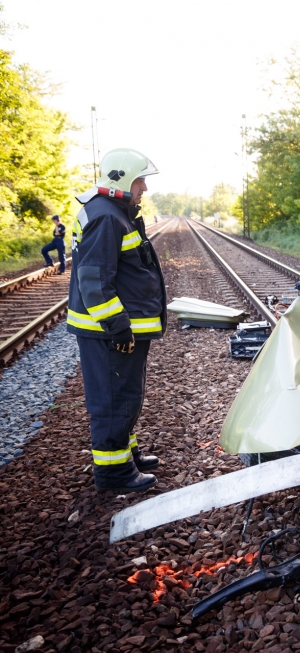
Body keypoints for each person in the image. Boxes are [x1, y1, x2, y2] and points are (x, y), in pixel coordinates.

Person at [68, 148, 167, 494]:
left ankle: (126, 454)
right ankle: (113, 473)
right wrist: (118, 326)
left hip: (117, 330)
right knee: (113, 399)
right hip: (110, 332)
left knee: (125, 394)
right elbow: (94, 279)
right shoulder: (108, 217)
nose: (145, 188)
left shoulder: (113, 212)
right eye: (141, 180)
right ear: (123, 179)